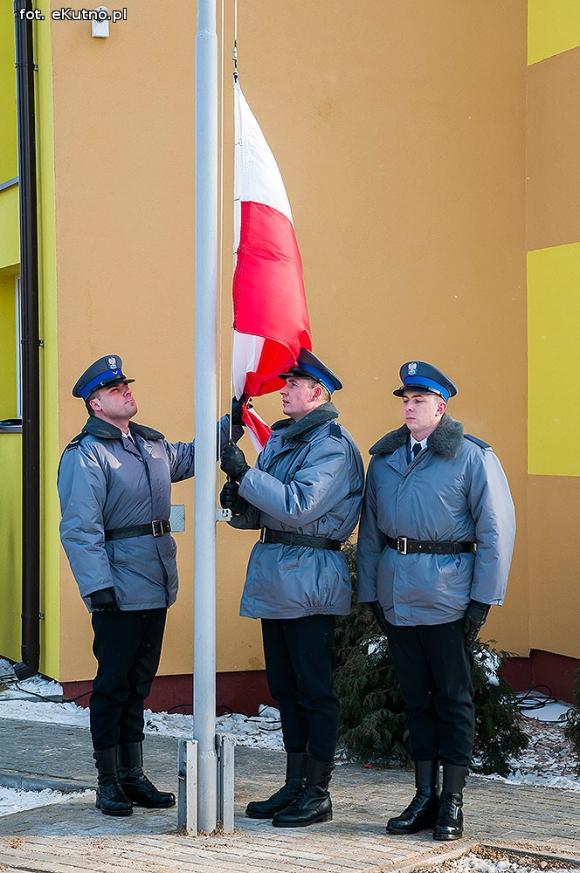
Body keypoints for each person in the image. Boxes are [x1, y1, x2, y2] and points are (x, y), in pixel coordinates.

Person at [58, 354, 242, 817]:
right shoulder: (87, 454)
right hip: (118, 585)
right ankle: (108, 781)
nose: (126, 391)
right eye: (114, 389)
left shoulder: (149, 444)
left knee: (138, 684)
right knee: (112, 685)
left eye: (126, 385)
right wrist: (97, 586)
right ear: (95, 404)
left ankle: (132, 774)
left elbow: (194, 455)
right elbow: (80, 528)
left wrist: (233, 422)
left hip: (156, 580)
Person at [357, 360, 515, 841]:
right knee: (416, 699)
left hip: (448, 597)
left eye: (419, 400)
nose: (409, 407)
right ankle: (424, 795)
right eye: (405, 400)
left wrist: (482, 599)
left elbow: (495, 530)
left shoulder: (471, 457)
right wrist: (370, 592)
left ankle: (452, 800)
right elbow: (371, 532)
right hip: (397, 596)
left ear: (441, 407)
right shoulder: (385, 459)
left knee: (452, 698)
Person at [219, 349, 364, 828]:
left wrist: (245, 475)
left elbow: (298, 505)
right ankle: (294, 782)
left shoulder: (331, 445)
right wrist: (238, 499)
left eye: (293, 384)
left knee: (313, 688)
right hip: (279, 573)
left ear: (317, 393)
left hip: (310, 575)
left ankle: (317, 791)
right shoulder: (283, 439)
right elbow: (266, 512)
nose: (283, 390)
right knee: (285, 686)